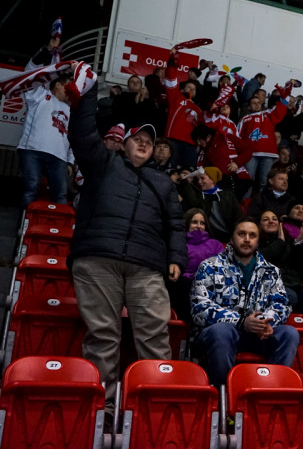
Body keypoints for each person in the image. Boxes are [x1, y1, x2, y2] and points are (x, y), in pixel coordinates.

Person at [67, 67, 187, 413]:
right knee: (103, 335)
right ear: (126, 141)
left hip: (147, 266)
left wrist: (176, 258)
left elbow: (175, 224)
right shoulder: (103, 161)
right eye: (139, 139)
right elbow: (81, 135)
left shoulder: (162, 183)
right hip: (97, 257)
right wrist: (87, 94)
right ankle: (101, 410)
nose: (144, 144)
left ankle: (154, 407)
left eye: (150, 143)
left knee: (154, 336)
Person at [190, 217, 299, 386]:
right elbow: (200, 308)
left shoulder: (271, 271)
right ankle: (223, 397)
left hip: (258, 335)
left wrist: (265, 322)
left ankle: (271, 393)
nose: (247, 239)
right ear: (232, 239)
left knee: (289, 333)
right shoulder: (210, 266)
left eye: (252, 235)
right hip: (221, 335)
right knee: (221, 330)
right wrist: (241, 322)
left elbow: (281, 304)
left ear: (258, 240)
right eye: (241, 234)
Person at [17, 37, 73, 208]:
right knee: (31, 189)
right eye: (67, 85)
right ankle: (23, 229)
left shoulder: (72, 110)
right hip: (32, 151)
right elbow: (30, 74)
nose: (70, 89)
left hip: (59, 158)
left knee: (61, 195)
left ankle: (56, 232)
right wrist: (47, 50)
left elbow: (73, 138)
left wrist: (70, 161)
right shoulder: (40, 96)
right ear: (57, 85)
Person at [257, 210, 303, 316]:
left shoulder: (289, 243)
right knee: (291, 295)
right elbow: (261, 260)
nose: (271, 221)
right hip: (270, 285)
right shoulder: (256, 243)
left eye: (274, 219)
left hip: (293, 283)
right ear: (259, 225)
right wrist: (279, 243)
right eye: (266, 219)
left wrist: (300, 244)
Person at [169, 208, 224, 322]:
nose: (198, 226)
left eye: (202, 223)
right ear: (187, 223)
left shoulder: (215, 244)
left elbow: (221, 267)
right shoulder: (179, 244)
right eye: (194, 222)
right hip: (183, 285)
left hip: (209, 283)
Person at [177, 166, 243, 243]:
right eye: (198, 179)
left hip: (228, 237)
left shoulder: (228, 195)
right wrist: (185, 182)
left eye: (202, 178)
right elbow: (194, 202)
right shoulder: (200, 196)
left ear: (212, 179)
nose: (199, 182)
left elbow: (238, 217)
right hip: (208, 238)